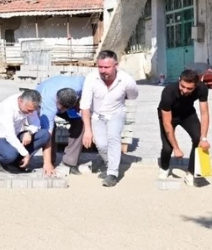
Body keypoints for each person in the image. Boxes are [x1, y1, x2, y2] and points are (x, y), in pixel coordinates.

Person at [80, 50, 139, 187]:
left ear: (116, 65)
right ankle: (108, 162)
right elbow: (85, 105)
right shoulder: (91, 78)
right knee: (101, 144)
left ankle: (112, 173)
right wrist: (88, 131)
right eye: (100, 67)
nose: (102, 70)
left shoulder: (126, 80)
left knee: (113, 138)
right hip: (97, 116)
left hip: (116, 113)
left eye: (106, 67)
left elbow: (133, 95)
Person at [157, 69, 211, 186]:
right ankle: (164, 167)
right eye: (183, 86)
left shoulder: (202, 88)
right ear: (179, 81)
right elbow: (167, 124)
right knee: (168, 148)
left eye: (189, 88)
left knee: (198, 139)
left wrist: (204, 138)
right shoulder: (168, 92)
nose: (185, 90)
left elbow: (205, 113)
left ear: (196, 86)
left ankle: (191, 173)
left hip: (187, 113)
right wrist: (176, 148)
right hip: (169, 115)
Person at [0, 89, 49, 174]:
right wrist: (26, 154)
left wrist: (29, 132)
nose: (31, 113)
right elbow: (10, 136)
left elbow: (36, 122)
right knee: (11, 154)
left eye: (33, 111)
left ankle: (18, 162)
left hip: (16, 135)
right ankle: (2, 161)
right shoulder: (7, 107)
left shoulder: (29, 104)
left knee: (44, 135)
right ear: (20, 101)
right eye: (29, 110)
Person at [36, 74, 85, 178]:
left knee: (79, 123)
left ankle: (70, 161)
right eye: (61, 108)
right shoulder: (48, 102)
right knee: (49, 129)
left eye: (65, 109)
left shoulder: (79, 85)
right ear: (57, 100)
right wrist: (47, 163)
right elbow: (47, 134)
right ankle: (51, 161)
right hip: (42, 103)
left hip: (69, 101)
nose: (62, 111)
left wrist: (79, 104)